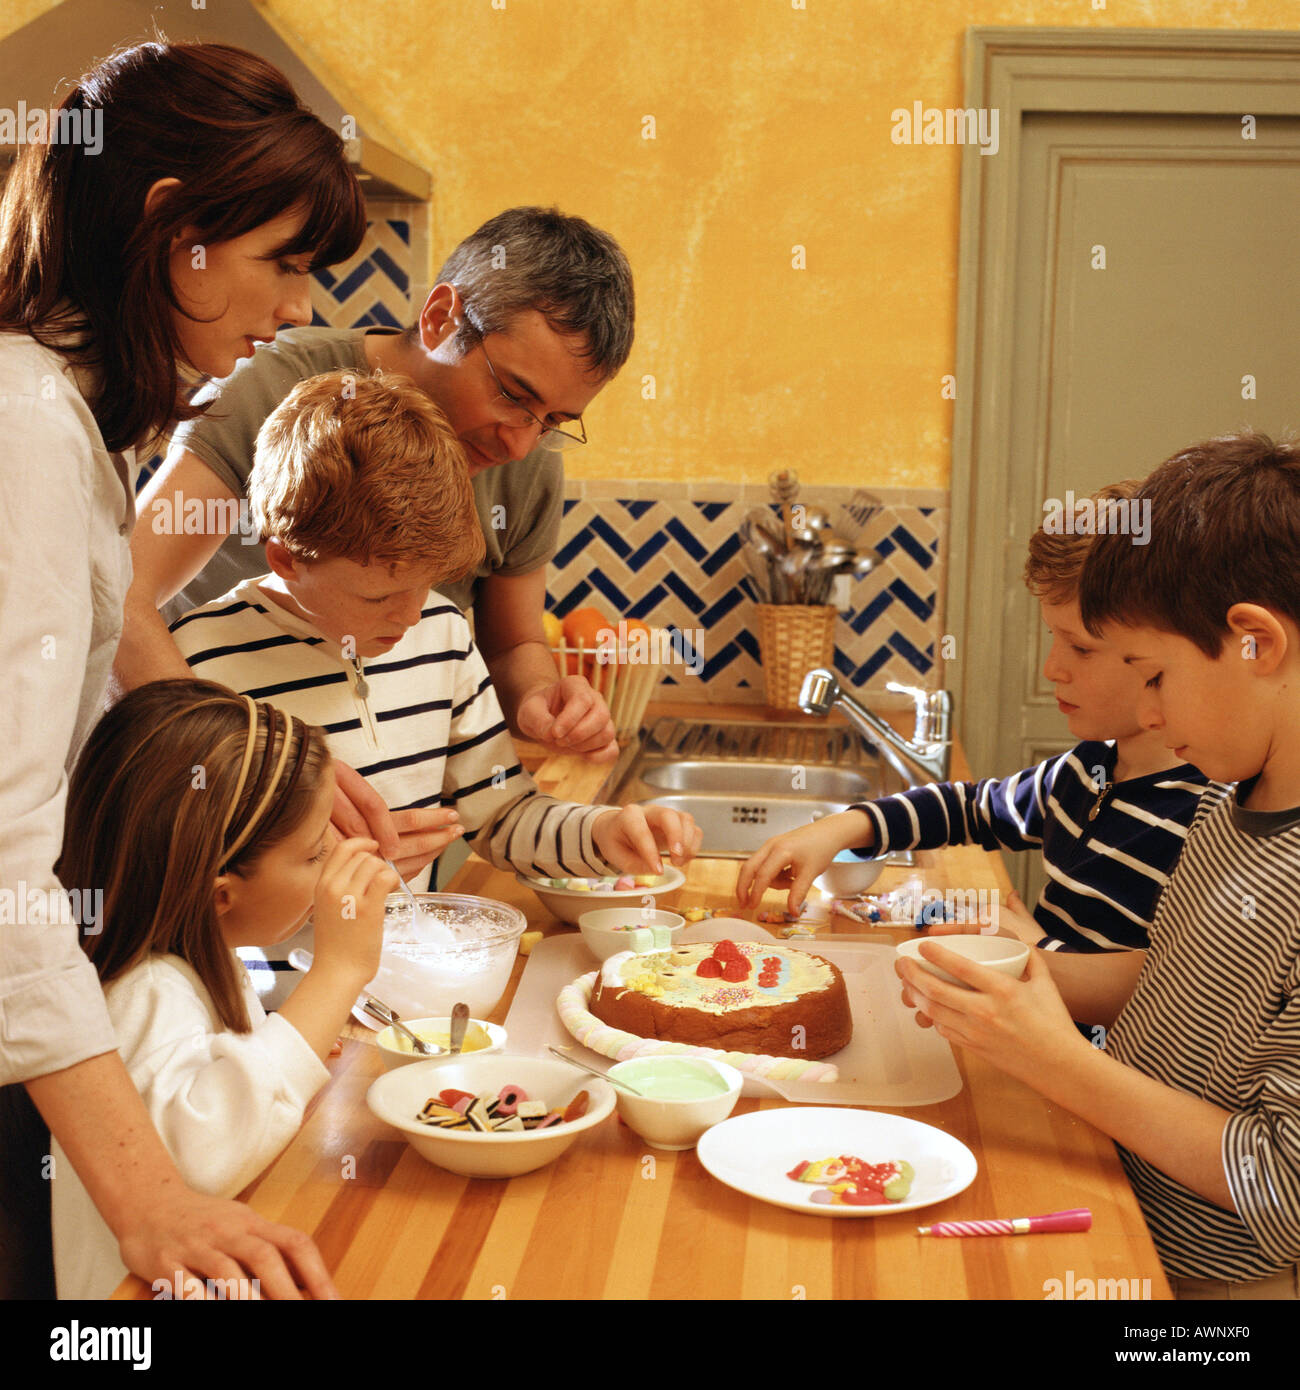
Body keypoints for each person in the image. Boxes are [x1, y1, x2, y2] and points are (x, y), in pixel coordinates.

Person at [0, 39, 366, 1299]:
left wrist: (271, 780)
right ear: (173, 232)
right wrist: (149, 1196)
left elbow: (98, 671)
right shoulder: (25, 426)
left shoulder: (60, 414)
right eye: (283, 262)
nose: (298, 311)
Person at [897, 431, 1300, 1297]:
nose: (1146, 713)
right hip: (1122, 1209)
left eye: (1153, 676)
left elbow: (1282, 1184)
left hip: (1217, 1286)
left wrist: (1057, 1061)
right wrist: (1021, 993)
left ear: (1255, 643)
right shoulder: (1233, 813)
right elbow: (1179, 988)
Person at [114, 205, 637, 871]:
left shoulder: (523, 467)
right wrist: (263, 775)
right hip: (218, 822)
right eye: (511, 393)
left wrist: (540, 699)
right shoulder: (274, 388)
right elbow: (118, 594)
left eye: (556, 419)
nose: (522, 442)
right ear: (442, 318)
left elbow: (512, 645)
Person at [168, 369, 700, 1005]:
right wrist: (321, 875)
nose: (411, 615)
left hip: (397, 999)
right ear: (286, 556)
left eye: (430, 585)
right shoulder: (196, 662)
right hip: (255, 1021)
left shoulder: (442, 635)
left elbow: (501, 814)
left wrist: (600, 836)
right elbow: (179, 889)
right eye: (383, 593)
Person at [737, 483, 1213, 951]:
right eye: (1053, 636)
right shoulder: (1088, 768)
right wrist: (839, 828)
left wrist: (1033, 946)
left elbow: (1155, 999)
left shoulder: (1200, 821)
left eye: (1081, 648)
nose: (1052, 669)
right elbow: (972, 808)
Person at [51, 680, 396, 1298]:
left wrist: (288, 1042)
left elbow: (215, 1076)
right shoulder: (146, 989)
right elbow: (202, 1158)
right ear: (220, 894)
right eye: (317, 853)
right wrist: (339, 971)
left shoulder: (203, 960)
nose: (339, 855)